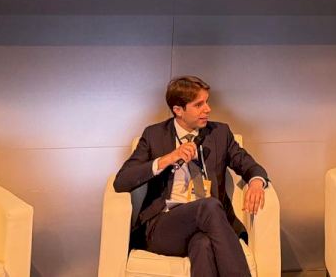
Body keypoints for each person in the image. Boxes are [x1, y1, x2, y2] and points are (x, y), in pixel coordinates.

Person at [113, 76, 269, 277]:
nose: (208, 109)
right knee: (209, 206)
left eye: (207, 102)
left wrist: (256, 183)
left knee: (202, 244)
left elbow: (249, 165)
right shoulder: (154, 135)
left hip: (208, 225)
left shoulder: (220, 133)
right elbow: (122, 181)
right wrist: (167, 159)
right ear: (178, 110)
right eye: (198, 104)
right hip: (164, 226)